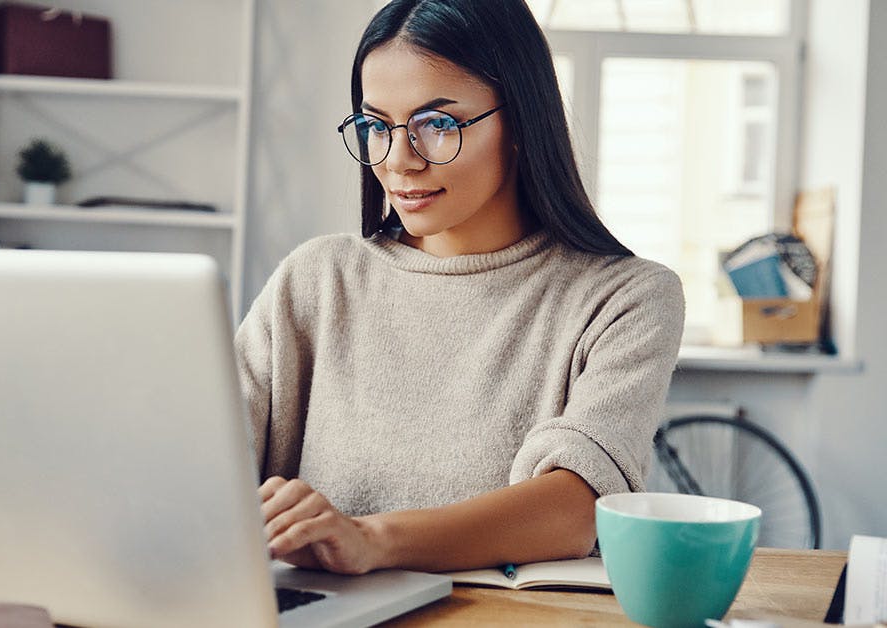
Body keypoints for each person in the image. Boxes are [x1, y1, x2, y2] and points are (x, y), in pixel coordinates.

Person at [235, 0, 685, 576]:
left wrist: (371, 539)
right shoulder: (316, 280)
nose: (399, 162)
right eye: (377, 126)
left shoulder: (626, 298)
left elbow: (575, 507)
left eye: (436, 125)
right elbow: (206, 455)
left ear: (521, 123)